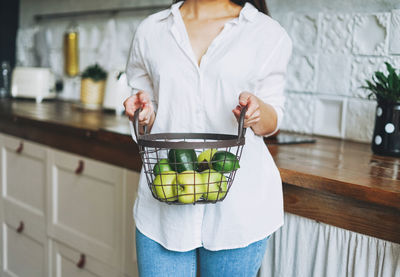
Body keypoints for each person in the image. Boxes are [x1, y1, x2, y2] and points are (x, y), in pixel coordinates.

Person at [123, 0, 292, 276]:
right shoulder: (151, 31)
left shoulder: (266, 33)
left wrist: (258, 112)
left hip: (240, 207)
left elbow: (274, 116)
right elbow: (147, 108)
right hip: (164, 204)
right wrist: (141, 112)